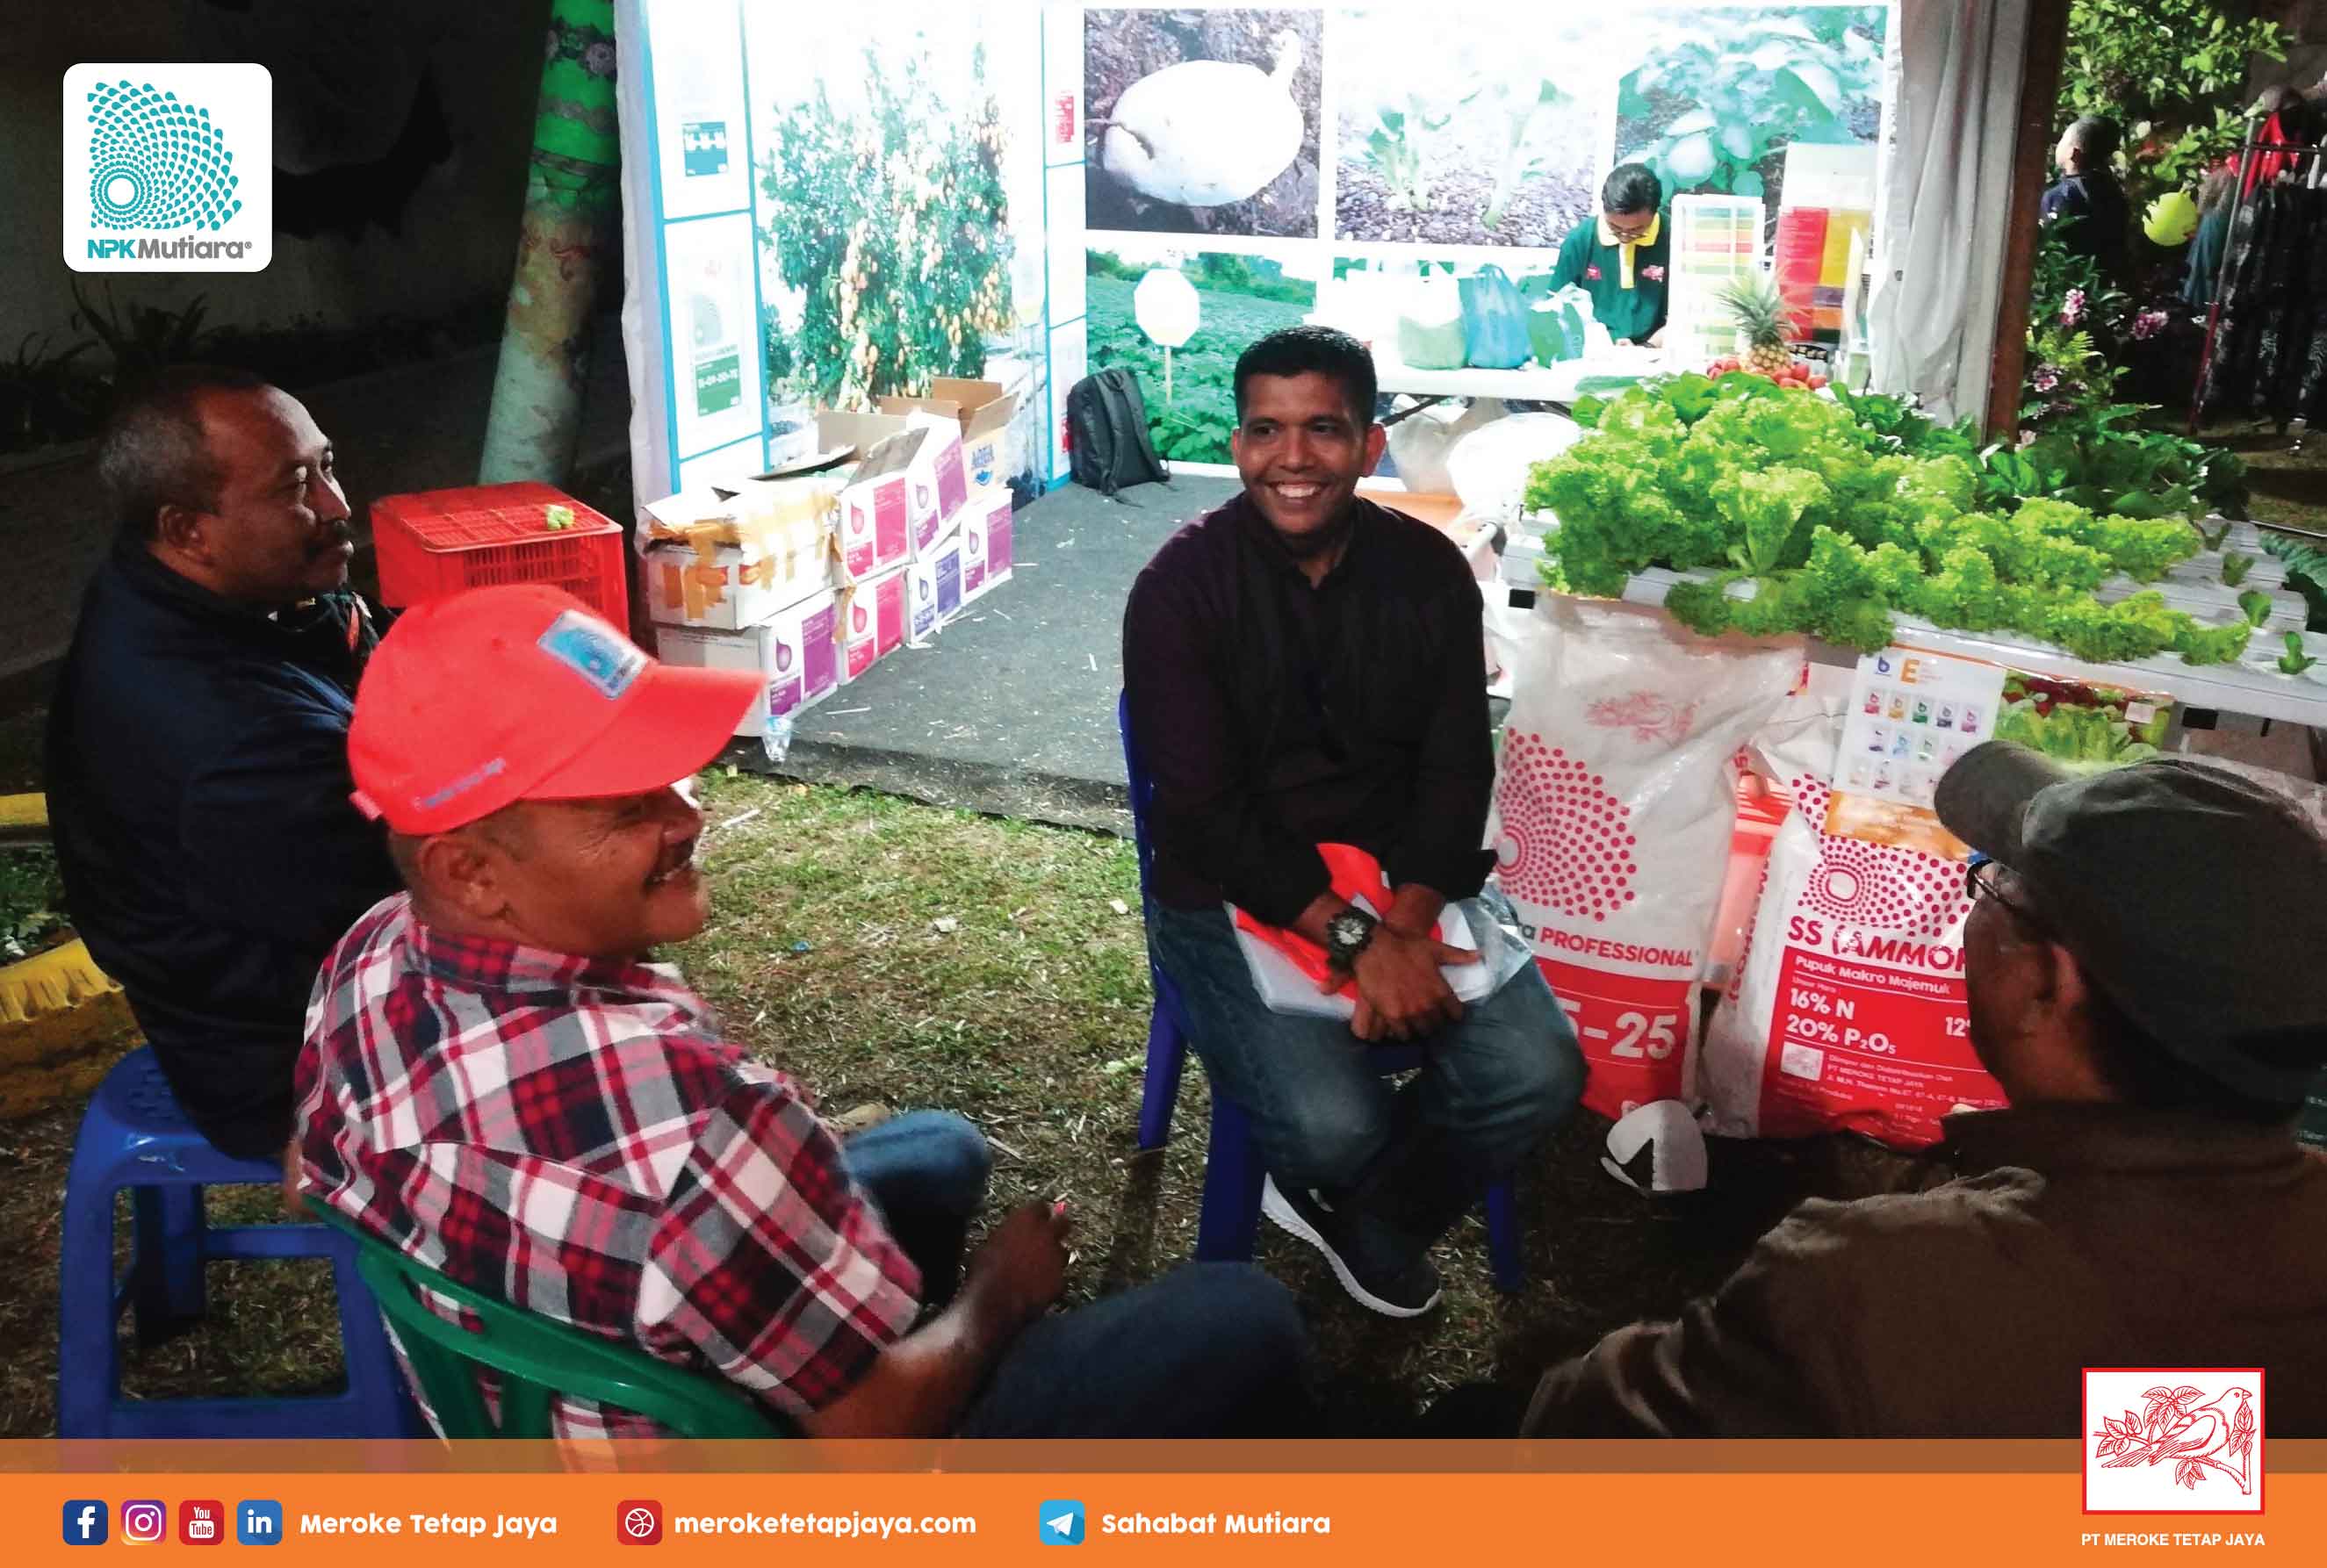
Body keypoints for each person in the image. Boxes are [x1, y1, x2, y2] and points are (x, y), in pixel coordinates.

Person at [299, 585, 1310, 1440]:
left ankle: (860, 1324)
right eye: (626, 807)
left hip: (532, 1406)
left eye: (665, 780)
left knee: (940, 1149)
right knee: (1240, 1315)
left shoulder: (368, 956)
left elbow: (310, 1173)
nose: (689, 816)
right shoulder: (699, 1121)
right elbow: (870, 1433)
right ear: (470, 871)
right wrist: (999, 1294)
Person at [1519, 744, 2327, 1437]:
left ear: (2047, 987)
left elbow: (1581, 1435)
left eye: (1994, 882)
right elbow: (2167, 1508)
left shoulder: (1870, 1290)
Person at [1123, 326, 1585, 1319]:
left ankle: (1361, 1219)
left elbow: (1456, 769)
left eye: (1323, 429)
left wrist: (1404, 931)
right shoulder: (1178, 589)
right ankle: (1355, 1189)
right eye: (1266, 430)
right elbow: (1203, 817)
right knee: (1333, 1123)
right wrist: (1359, 943)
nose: (1292, 459)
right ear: (1237, 443)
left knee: (1540, 1073)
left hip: (1403, 880)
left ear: (1371, 444)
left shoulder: (1427, 572)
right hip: (1228, 890)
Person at [46, 365, 397, 1165]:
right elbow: (430, 898)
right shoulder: (232, 738)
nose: (338, 505)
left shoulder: (196, 589)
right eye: (295, 487)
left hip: (282, 971)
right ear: (188, 531)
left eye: (327, 466)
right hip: (288, 1061)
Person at [1545, 163, 1671, 348]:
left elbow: (1690, 315)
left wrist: (1648, 347)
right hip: (1592, 349)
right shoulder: (1580, 240)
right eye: (1615, 228)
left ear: (1655, 212)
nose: (1625, 237)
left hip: (1658, 348)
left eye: (1637, 230)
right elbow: (1556, 310)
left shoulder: (1676, 236)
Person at [2042, 116, 2132, 288]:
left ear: (2073, 153)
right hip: (2100, 290)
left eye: (2063, 140)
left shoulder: (2059, 196)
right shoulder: (2113, 192)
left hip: (2064, 290)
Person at [2182, 162, 2238, 309]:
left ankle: (2193, 300)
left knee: (2201, 262)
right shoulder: (2232, 176)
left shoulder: (2224, 174)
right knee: (2209, 264)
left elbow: (2204, 199)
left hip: (2211, 222)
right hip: (2218, 223)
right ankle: (2203, 304)